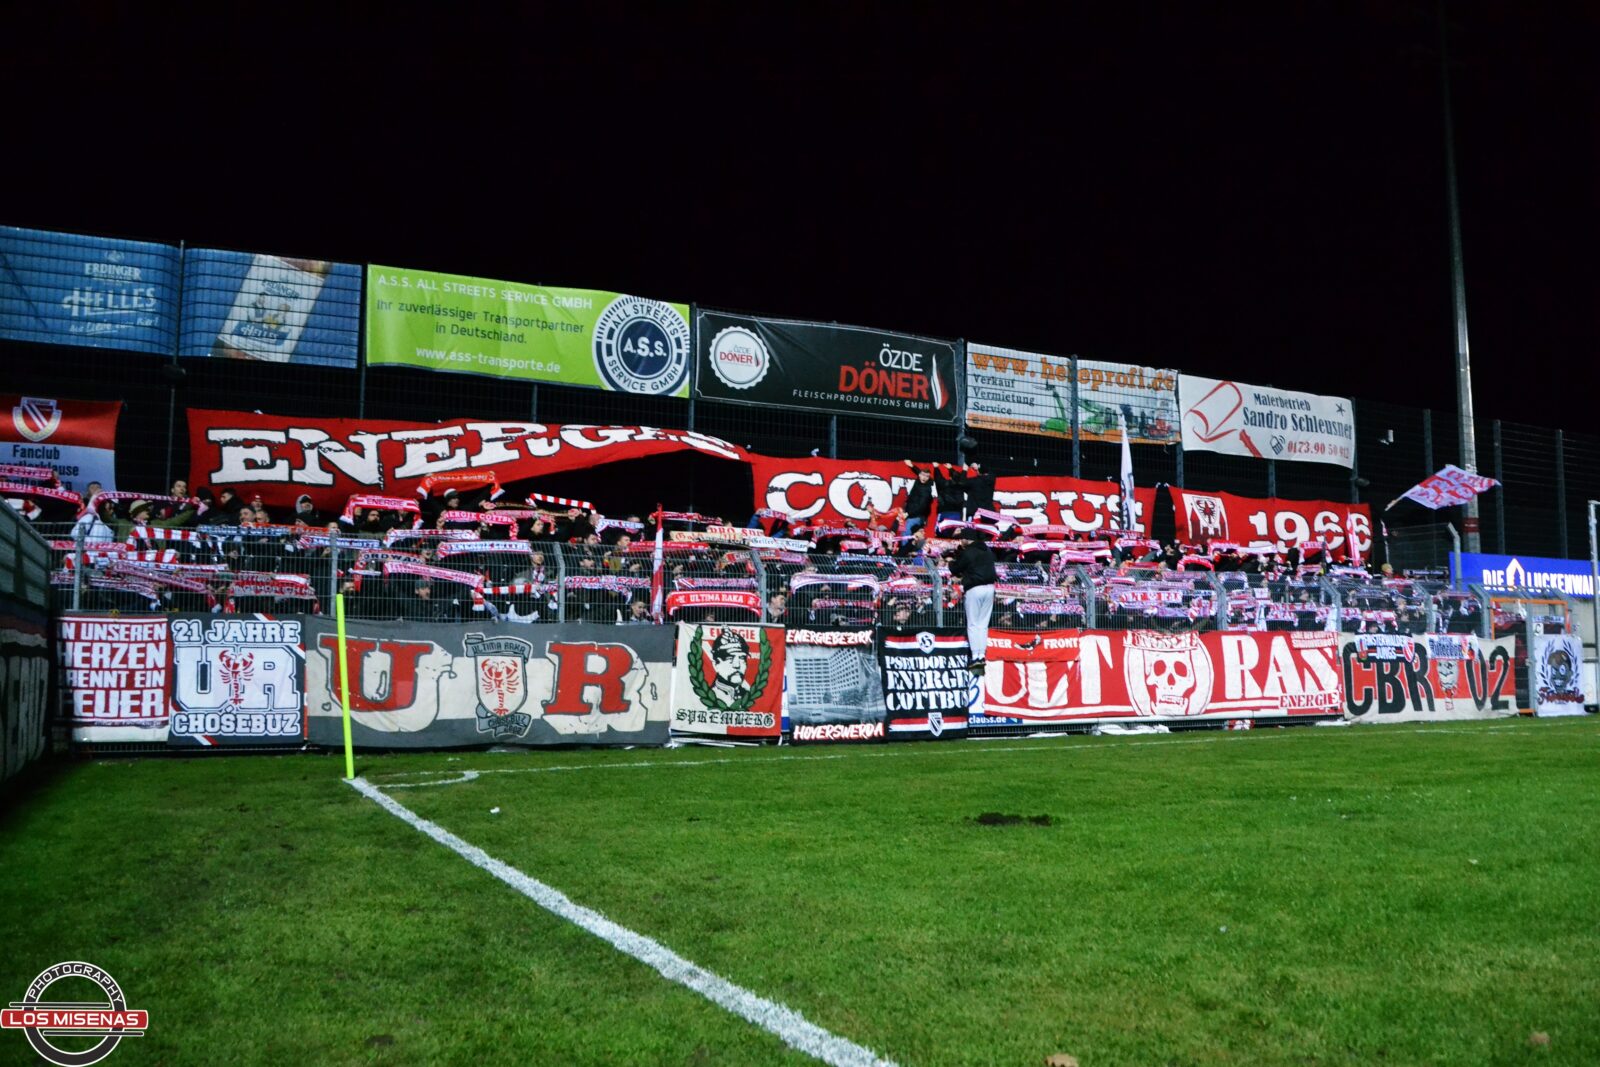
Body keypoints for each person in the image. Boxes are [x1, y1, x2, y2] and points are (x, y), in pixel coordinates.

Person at [948, 527, 997, 672]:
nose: (960, 541)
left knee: (973, 624)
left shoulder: (968, 551)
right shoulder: (987, 550)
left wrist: (951, 561)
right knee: (983, 624)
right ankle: (982, 655)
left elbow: (955, 569)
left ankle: (975, 657)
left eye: (962, 538)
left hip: (974, 588)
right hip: (990, 588)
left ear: (967, 539)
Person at [900, 460, 937, 536]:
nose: (924, 478)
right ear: (919, 475)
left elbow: (921, 506)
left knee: (906, 535)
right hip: (911, 514)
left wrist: (908, 513)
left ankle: (905, 547)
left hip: (916, 516)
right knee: (904, 533)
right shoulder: (919, 480)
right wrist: (911, 465)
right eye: (923, 475)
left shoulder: (926, 489)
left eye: (927, 476)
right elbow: (918, 471)